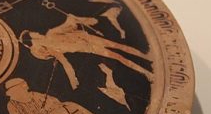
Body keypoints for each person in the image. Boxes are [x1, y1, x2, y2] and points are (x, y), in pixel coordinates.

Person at [20, 12, 154, 89]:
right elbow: (65, 62)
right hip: (89, 47)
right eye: (33, 34)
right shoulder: (49, 46)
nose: (36, 32)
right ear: (32, 39)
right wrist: (73, 79)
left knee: (119, 48)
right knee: (118, 56)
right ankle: (146, 72)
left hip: (88, 39)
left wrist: (72, 19)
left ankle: (146, 57)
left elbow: (69, 24)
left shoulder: (51, 33)